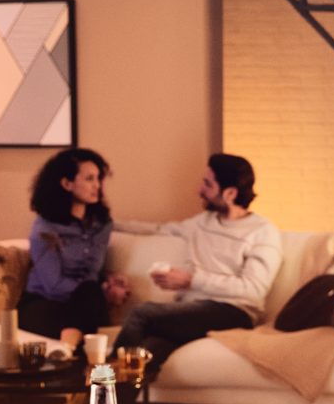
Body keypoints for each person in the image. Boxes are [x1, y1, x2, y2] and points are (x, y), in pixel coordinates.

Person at [112, 153, 283, 377]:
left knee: (141, 314)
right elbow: (156, 229)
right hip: (191, 312)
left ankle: (96, 394)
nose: (199, 190)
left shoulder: (262, 231)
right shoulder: (202, 223)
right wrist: (104, 224)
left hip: (233, 313)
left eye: (207, 184)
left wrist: (190, 280)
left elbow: (253, 289)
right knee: (146, 355)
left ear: (230, 193)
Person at [18, 148, 130, 349]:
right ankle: (74, 349)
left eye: (98, 178)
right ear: (67, 184)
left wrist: (108, 280)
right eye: (89, 179)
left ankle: (66, 351)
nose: (97, 185)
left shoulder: (101, 225)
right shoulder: (45, 228)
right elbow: (53, 285)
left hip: (85, 300)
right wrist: (104, 292)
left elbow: (90, 273)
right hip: (43, 303)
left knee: (90, 294)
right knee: (90, 302)